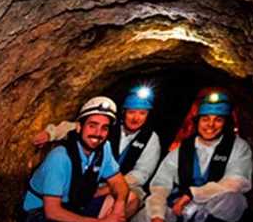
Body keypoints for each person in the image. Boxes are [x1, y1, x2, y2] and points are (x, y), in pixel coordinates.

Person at [127, 89, 253, 222]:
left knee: (234, 200)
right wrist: (157, 216)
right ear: (198, 121)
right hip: (181, 208)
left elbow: (237, 181)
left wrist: (193, 194)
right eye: (205, 119)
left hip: (210, 208)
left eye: (218, 120)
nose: (210, 125)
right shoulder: (183, 149)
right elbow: (160, 185)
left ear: (226, 123)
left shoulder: (238, 147)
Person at [18, 96, 130, 222]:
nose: (97, 133)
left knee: (128, 198)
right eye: (92, 125)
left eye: (104, 128)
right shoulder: (60, 157)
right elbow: (52, 211)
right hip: (39, 212)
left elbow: (119, 183)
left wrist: (119, 207)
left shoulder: (104, 148)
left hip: (73, 203)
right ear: (79, 127)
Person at [33, 85, 162, 204]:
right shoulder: (108, 126)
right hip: (94, 179)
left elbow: (142, 174)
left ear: (148, 115)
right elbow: (76, 127)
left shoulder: (150, 139)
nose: (136, 118)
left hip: (125, 184)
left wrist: (109, 187)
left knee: (128, 199)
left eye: (142, 113)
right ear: (124, 112)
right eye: (132, 112)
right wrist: (50, 134)